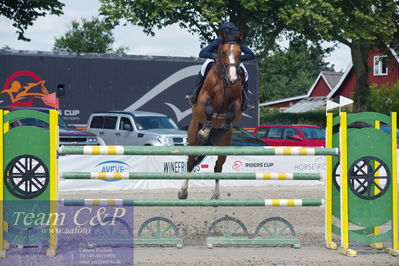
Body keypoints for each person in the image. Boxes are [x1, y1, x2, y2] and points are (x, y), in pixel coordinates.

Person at [185, 22, 255, 111]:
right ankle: (194, 94)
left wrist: (235, 58)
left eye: (230, 32)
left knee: (245, 73)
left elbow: (251, 55)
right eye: (227, 32)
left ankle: (245, 101)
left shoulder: (237, 42)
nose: (229, 34)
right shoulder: (218, 41)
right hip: (217, 60)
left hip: (232, 61)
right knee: (204, 68)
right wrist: (214, 57)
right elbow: (202, 53)